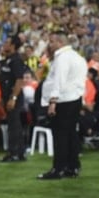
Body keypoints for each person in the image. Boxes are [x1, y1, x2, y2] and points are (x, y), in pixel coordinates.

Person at [37, 32, 88, 179]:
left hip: (63, 101)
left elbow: (59, 81)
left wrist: (53, 101)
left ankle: (58, 169)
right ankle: (73, 167)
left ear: (60, 42)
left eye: (52, 41)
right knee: (71, 134)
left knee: (60, 136)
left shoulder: (62, 58)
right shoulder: (78, 57)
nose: (49, 44)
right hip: (75, 99)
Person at [0, 35, 27, 162]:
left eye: (7, 42)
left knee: (14, 125)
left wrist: (13, 98)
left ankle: (14, 153)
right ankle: (19, 153)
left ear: (13, 45)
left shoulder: (16, 60)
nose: (4, 44)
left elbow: (19, 80)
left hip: (14, 97)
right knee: (13, 124)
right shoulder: (8, 60)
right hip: (7, 97)